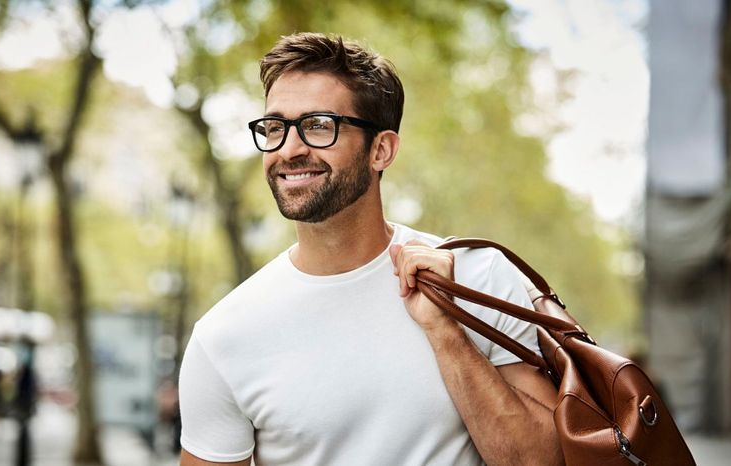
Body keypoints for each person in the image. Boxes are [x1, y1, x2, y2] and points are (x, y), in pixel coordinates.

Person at [178, 32, 562, 466]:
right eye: (274, 127)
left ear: (381, 149)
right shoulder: (224, 337)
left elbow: (543, 461)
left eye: (319, 125)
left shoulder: (478, 276)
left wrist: (447, 333)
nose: (289, 148)